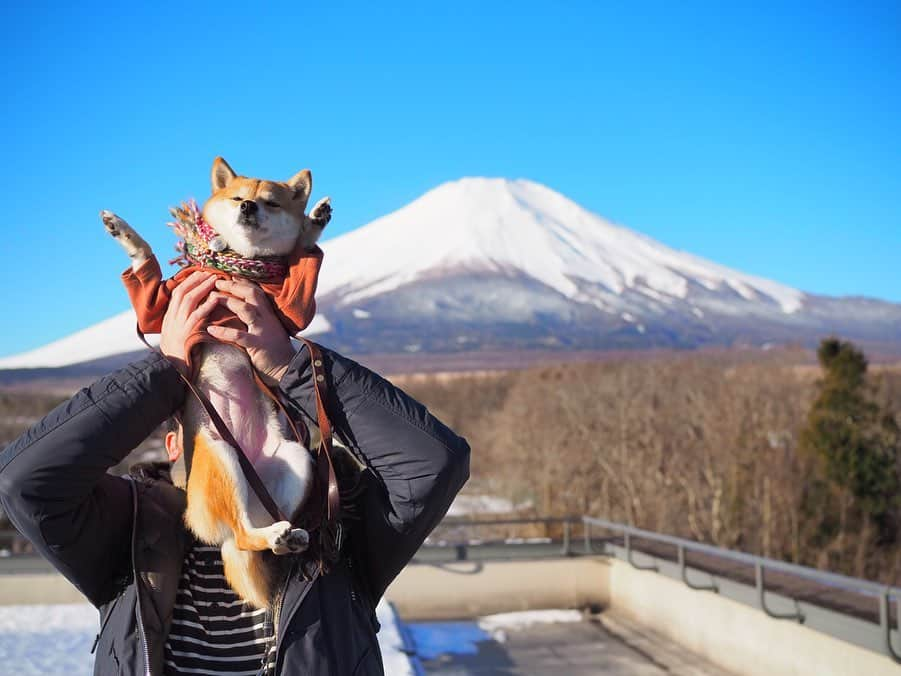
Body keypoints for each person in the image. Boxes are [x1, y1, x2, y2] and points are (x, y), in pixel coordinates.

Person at [0, 271, 471, 675]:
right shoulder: (126, 532)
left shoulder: (337, 529)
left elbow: (433, 464)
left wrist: (292, 367)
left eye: (262, 419)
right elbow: (25, 481)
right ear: (172, 445)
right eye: (218, 422)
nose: (244, 439)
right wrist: (168, 370)